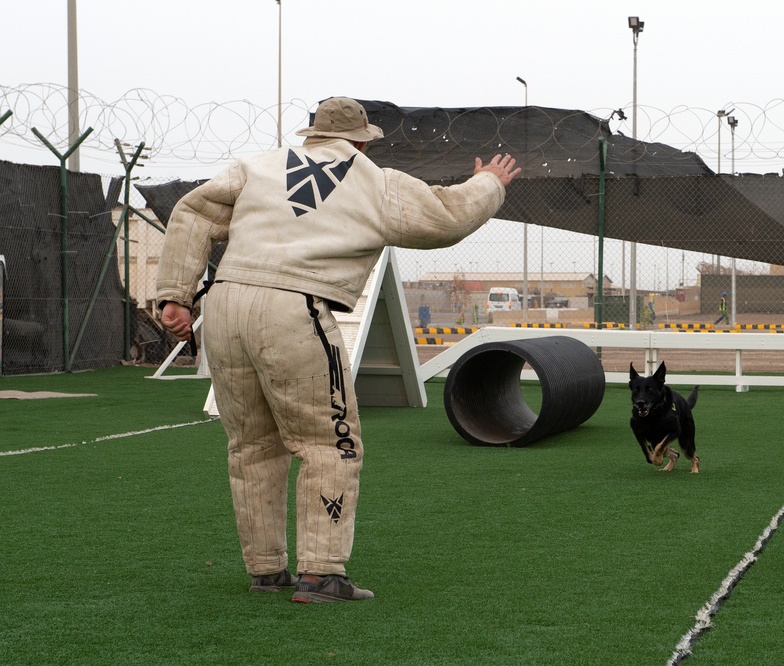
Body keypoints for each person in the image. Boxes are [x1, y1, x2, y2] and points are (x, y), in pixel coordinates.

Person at [156, 97, 521, 603]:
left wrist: (174, 293)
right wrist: (488, 184)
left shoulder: (256, 167)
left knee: (252, 446)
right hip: (294, 308)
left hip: (224, 304)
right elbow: (445, 218)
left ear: (312, 134)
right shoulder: (376, 181)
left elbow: (192, 212)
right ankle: (322, 573)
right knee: (329, 444)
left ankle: (266, 570)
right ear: (363, 140)